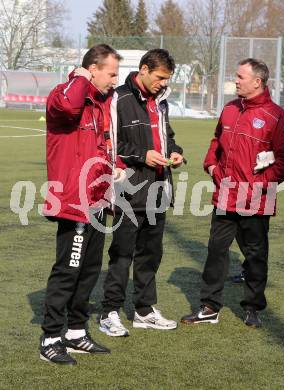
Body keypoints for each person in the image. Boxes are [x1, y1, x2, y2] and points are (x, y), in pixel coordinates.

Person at [181, 58, 284, 328]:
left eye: (240, 76)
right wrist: (211, 165)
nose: (236, 80)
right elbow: (216, 142)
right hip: (225, 196)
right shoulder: (230, 109)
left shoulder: (277, 117)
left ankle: (253, 308)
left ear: (257, 82)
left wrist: (263, 182)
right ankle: (209, 307)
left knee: (255, 255)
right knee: (216, 252)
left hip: (256, 200)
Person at [40, 44, 124, 365]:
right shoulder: (66, 94)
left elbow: (101, 147)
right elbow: (68, 107)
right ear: (92, 69)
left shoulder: (102, 103)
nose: (116, 80)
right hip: (74, 203)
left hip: (98, 201)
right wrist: (79, 78)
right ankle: (50, 336)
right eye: (112, 73)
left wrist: (115, 170)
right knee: (68, 270)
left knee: (89, 271)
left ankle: (75, 331)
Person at [99, 49, 184, 336]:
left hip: (158, 189)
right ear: (144, 69)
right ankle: (109, 311)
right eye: (160, 77)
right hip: (128, 190)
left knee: (151, 254)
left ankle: (144, 311)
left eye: (167, 78)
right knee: (122, 254)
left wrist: (175, 153)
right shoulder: (118, 99)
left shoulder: (161, 102)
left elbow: (167, 137)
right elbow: (109, 143)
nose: (163, 83)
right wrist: (141, 155)